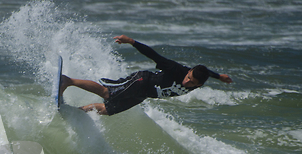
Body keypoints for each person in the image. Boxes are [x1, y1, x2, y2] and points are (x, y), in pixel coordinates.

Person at [60, 35, 233, 116]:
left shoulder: (199, 79)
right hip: (141, 81)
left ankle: (76, 112)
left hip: (144, 94)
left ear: (199, 85)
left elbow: (207, 73)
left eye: (192, 82)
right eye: (188, 76)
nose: (187, 81)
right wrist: (132, 42)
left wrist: (219, 77)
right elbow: (153, 55)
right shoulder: (176, 69)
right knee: (107, 93)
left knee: (107, 110)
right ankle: (68, 81)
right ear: (189, 71)